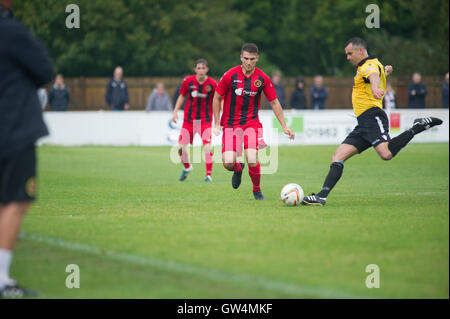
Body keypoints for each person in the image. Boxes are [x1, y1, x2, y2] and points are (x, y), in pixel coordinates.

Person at [302, 37, 442, 206]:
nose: (347, 57)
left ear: (360, 51)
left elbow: (373, 75)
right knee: (337, 156)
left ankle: (417, 127)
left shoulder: (368, 66)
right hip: (363, 124)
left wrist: (376, 87)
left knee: (386, 153)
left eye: (349, 53)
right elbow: (378, 71)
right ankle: (321, 196)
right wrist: (386, 71)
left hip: (372, 116)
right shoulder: (372, 63)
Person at [0, 0, 54, 297]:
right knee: (15, 200)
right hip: (12, 128)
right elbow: (44, 70)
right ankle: (2, 278)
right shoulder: (11, 31)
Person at [212, 43, 294, 200]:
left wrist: (284, 126)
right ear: (241, 58)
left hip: (251, 123)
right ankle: (238, 168)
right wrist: (217, 123)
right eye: (245, 59)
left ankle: (257, 190)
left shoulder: (262, 78)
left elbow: (275, 102)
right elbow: (216, 97)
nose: (248, 62)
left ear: (257, 58)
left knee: (251, 157)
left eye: (252, 59)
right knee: (229, 163)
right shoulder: (230, 75)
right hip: (230, 124)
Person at [172, 59, 217, 182]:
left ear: (207, 69)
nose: (201, 70)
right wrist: (175, 111)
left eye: (203, 68)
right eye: (199, 68)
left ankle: (208, 175)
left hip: (205, 121)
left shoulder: (212, 84)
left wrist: (219, 120)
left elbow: (218, 100)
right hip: (189, 121)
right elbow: (181, 96)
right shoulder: (188, 81)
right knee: (180, 148)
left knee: (207, 147)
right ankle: (187, 167)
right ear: (195, 69)